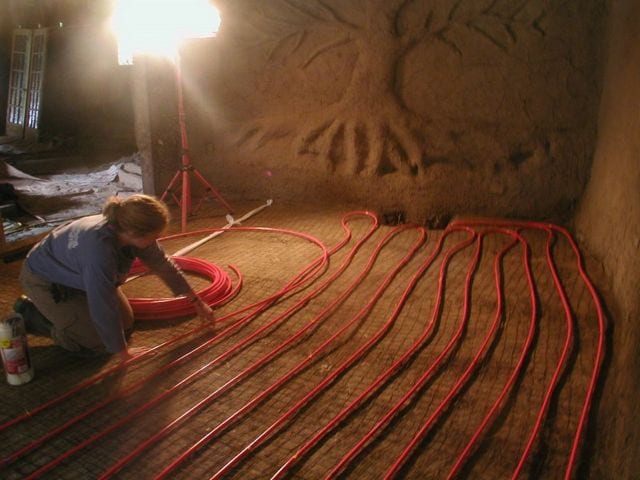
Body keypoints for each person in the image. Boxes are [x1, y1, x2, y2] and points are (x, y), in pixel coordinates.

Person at [15, 194, 214, 361]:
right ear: (133, 233)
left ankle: (66, 315)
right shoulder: (99, 251)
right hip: (47, 280)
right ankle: (33, 315)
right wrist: (122, 353)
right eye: (154, 237)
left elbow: (163, 265)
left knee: (125, 324)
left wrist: (196, 301)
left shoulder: (126, 227)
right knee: (99, 343)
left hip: (76, 274)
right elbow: (102, 302)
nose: (157, 241)